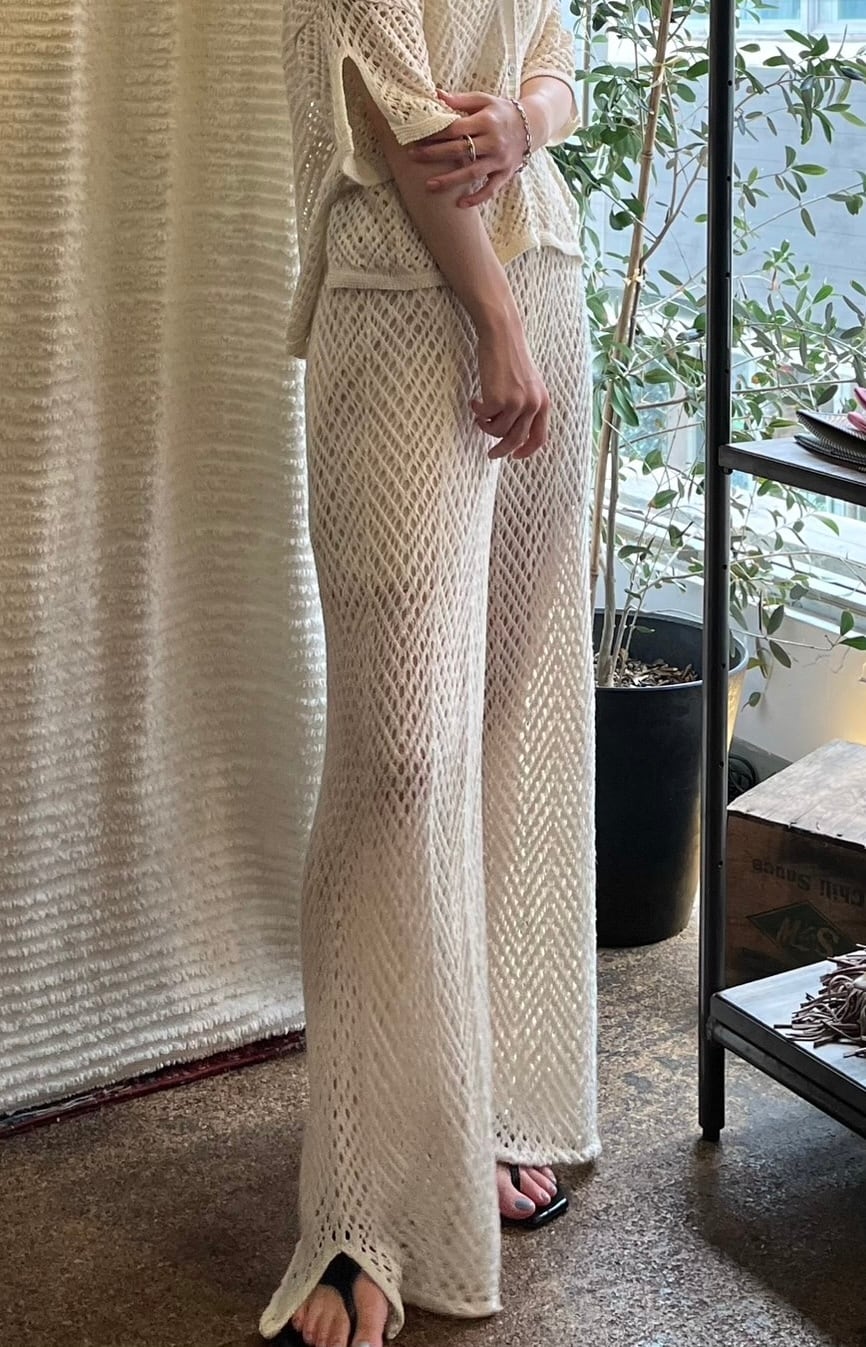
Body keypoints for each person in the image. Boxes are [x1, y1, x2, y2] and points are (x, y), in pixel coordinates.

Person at [260, 3, 598, 1344]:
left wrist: (524, 119)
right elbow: (401, 116)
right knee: (396, 761)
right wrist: (494, 321)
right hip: (404, 313)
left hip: (546, 287)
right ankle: (362, 1204)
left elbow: (558, 57)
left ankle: (490, 1104)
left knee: (511, 716)